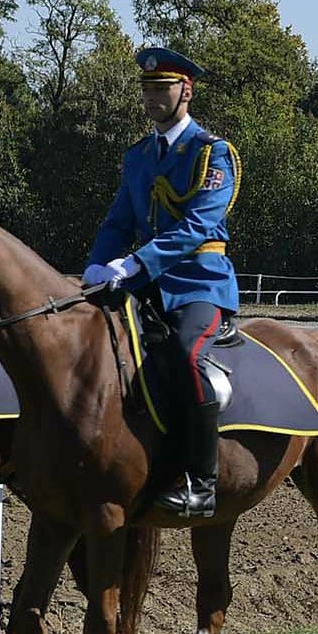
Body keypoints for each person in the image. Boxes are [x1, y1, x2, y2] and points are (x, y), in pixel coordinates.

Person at [83, 47, 240, 518]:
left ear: (185, 92)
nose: (152, 97)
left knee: (185, 353)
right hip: (142, 283)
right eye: (147, 88)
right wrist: (95, 267)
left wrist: (135, 263)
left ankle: (201, 480)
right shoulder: (138, 156)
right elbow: (118, 221)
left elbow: (198, 226)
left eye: (162, 88)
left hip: (199, 284)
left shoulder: (211, 153)